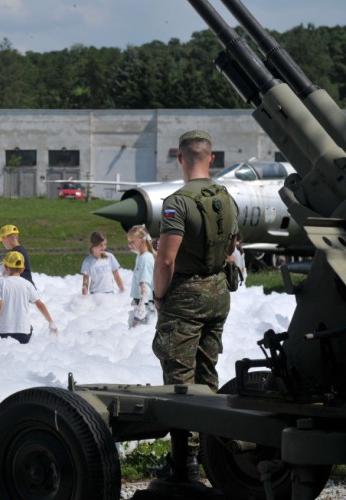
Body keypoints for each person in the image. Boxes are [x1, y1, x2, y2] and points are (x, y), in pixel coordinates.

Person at [152, 130, 239, 483]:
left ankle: (182, 463)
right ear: (212, 158)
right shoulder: (227, 197)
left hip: (186, 297)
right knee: (207, 374)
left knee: (179, 381)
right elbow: (232, 245)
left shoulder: (177, 202)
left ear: (179, 158)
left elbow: (166, 260)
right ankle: (211, 456)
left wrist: (159, 297)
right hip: (219, 293)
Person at [0, 251, 57, 344]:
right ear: (23, 269)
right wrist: (51, 322)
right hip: (23, 334)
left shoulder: (2, 283)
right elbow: (40, 304)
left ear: (5, 267)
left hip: (4, 333)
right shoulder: (28, 284)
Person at [127, 225, 156, 328]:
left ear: (143, 240)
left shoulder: (146, 259)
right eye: (129, 242)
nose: (129, 245)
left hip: (146, 305)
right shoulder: (140, 257)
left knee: (137, 333)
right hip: (141, 301)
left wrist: (142, 305)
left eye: (132, 241)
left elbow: (144, 284)